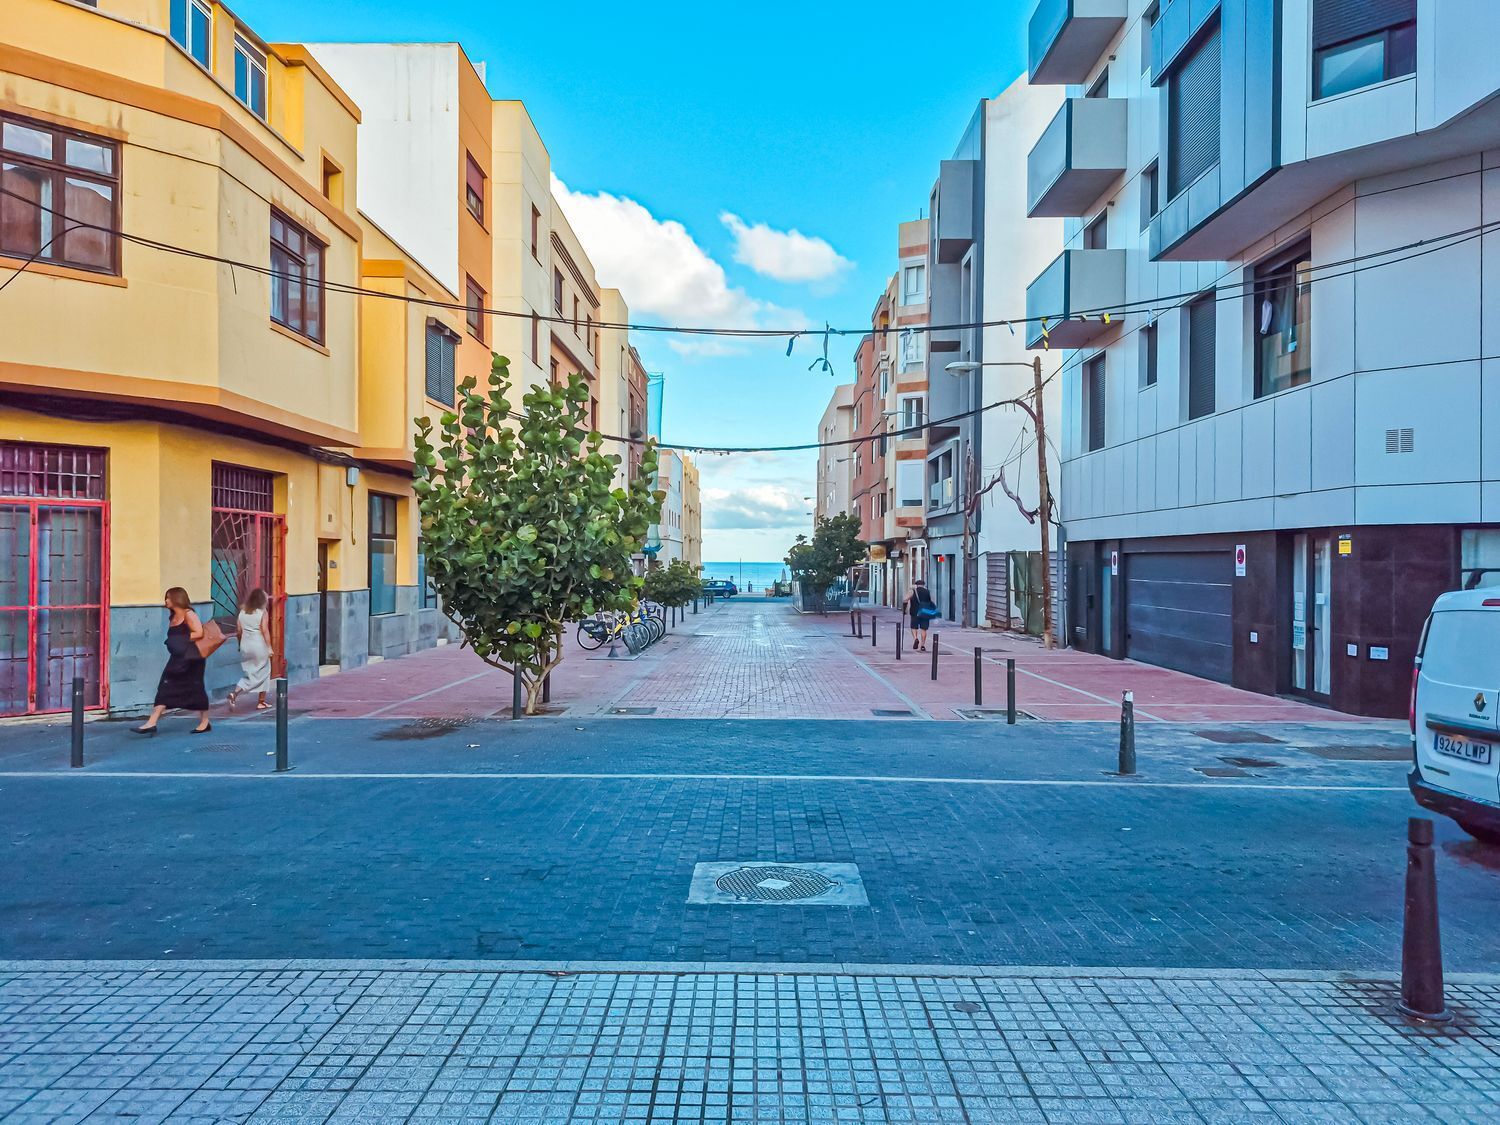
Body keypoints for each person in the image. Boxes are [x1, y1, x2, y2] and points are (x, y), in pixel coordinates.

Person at [133, 587, 211, 735]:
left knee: (196, 688)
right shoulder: (172, 616)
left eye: (168, 598)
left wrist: (180, 640)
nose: (166, 601)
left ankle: (205, 722)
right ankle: (152, 722)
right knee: (165, 686)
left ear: (177, 599)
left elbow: (199, 632)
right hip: (177, 658)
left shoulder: (189, 614)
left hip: (192, 659)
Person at [228, 587, 271, 711]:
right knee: (264, 671)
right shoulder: (262, 612)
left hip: (245, 645)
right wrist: (269, 647)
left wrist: (240, 645)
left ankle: (234, 693)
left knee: (249, 673)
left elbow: (239, 631)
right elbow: (265, 630)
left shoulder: (243, 612)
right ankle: (261, 702)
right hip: (259, 645)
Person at [905, 578, 938, 652]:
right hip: (925, 612)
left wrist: (904, 609)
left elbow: (905, 599)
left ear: (916, 585)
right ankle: (922, 645)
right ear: (923, 585)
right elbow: (931, 601)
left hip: (914, 612)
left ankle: (916, 638)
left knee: (914, 627)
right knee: (924, 629)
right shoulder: (927, 591)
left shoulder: (913, 591)